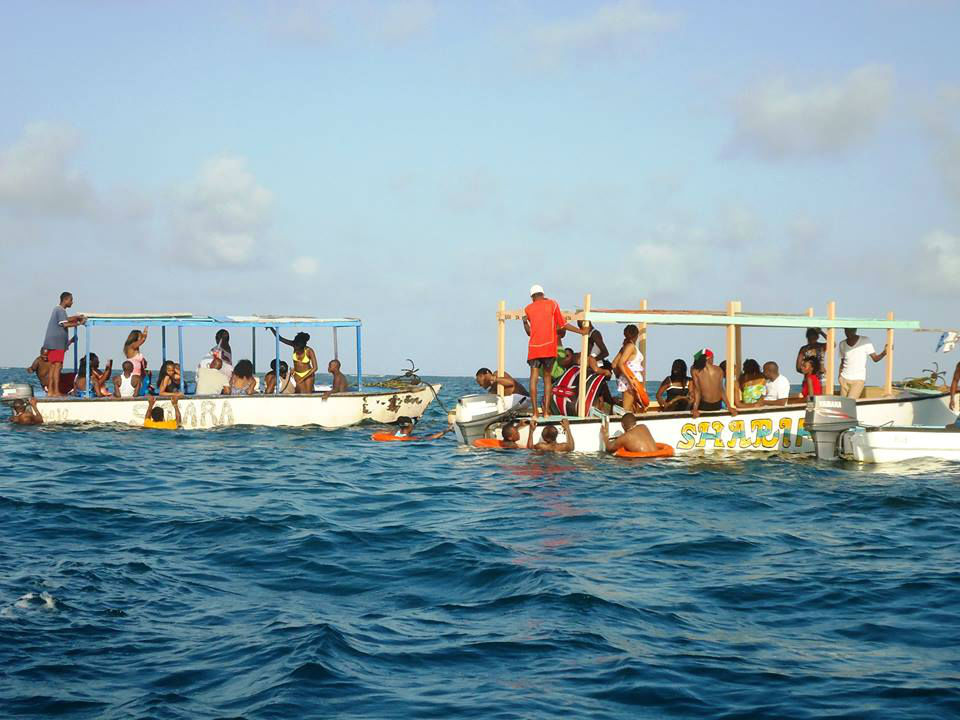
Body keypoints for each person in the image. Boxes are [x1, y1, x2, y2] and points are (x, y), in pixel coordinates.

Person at [523, 285, 584, 418]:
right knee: (547, 379)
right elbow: (563, 325)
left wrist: (524, 322)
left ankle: (534, 413)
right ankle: (545, 413)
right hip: (548, 348)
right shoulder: (552, 304)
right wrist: (581, 332)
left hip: (534, 348)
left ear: (532, 297)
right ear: (543, 294)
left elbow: (529, 332)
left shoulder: (528, 309)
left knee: (533, 379)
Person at [42, 292, 85, 397]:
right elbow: (64, 324)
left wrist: (75, 317)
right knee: (57, 367)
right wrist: (79, 323)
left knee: (53, 367)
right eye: (71, 300)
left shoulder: (58, 310)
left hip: (52, 343)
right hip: (57, 344)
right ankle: (55, 391)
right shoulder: (60, 310)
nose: (72, 302)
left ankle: (51, 391)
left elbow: (65, 319)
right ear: (65, 300)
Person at [838, 328, 887, 399]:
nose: (847, 332)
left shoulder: (865, 341)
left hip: (858, 380)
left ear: (855, 330)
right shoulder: (842, 343)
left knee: (850, 401)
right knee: (842, 404)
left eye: (850, 330)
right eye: (846, 330)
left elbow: (875, 358)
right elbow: (842, 362)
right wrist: (839, 377)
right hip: (844, 379)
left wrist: (884, 353)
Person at [690, 348, 737, 418]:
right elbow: (721, 390)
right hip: (717, 404)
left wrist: (695, 408)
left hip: (704, 405)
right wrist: (729, 407)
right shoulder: (719, 370)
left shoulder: (695, 371)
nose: (713, 360)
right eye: (713, 358)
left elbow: (697, 390)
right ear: (708, 358)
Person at [612, 324, 649, 412]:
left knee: (635, 408)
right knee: (627, 409)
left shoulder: (625, 347)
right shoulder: (631, 347)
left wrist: (618, 376)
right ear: (637, 335)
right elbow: (620, 363)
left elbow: (613, 364)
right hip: (631, 380)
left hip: (629, 380)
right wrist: (629, 380)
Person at [270, 329, 318, 394]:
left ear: (302, 347)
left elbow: (315, 368)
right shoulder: (293, 344)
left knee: (308, 393)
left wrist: (303, 378)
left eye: (297, 348)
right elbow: (280, 338)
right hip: (297, 374)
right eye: (295, 347)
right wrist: (271, 328)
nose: (295, 348)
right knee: (301, 393)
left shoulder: (309, 351)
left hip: (308, 374)